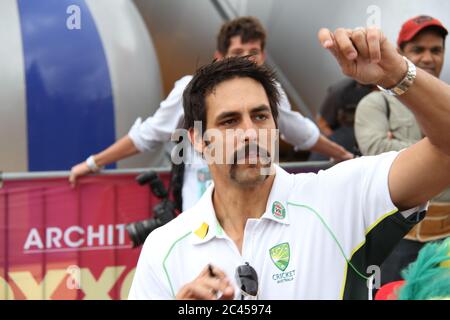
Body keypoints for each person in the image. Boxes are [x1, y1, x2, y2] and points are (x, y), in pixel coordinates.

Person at [128, 25, 450, 299]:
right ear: (198, 139)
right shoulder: (164, 248)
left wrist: (398, 75)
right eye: (229, 121)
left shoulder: (340, 194)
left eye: (260, 116)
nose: (250, 133)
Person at [69, 17, 352, 211]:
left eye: (253, 52)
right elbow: (148, 135)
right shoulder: (191, 89)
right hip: (202, 207)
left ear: (263, 56)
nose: (246, 58)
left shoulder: (270, 90)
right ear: (220, 56)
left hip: (258, 205)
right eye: (238, 51)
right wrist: (94, 163)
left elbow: (299, 131)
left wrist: (340, 154)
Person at [354, 15, 450, 286]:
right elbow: (376, 152)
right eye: (418, 50)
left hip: (445, 244)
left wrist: (400, 148)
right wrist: (443, 147)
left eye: (436, 50)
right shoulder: (375, 104)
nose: (428, 58)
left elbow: (393, 157)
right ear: (399, 53)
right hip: (395, 242)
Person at [311, 78, 374, 160]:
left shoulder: (386, 89)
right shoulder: (340, 91)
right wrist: (336, 147)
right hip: (341, 140)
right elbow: (322, 122)